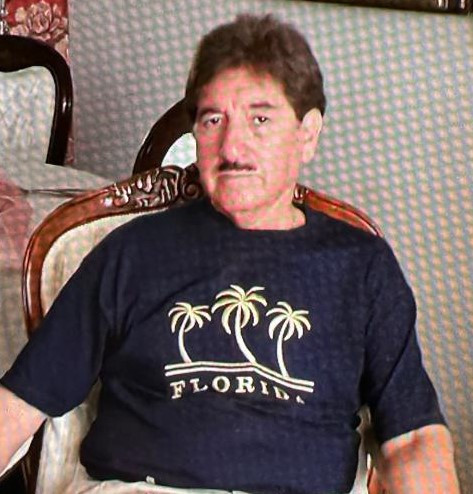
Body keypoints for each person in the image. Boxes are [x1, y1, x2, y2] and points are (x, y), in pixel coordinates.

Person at [0, 13, 459, 494]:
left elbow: (413, 439)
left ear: (307, 133)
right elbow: (20, 403)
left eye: (260, 119)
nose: (232, 147)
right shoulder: (131, 252)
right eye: (213, 120)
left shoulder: (361, 267)